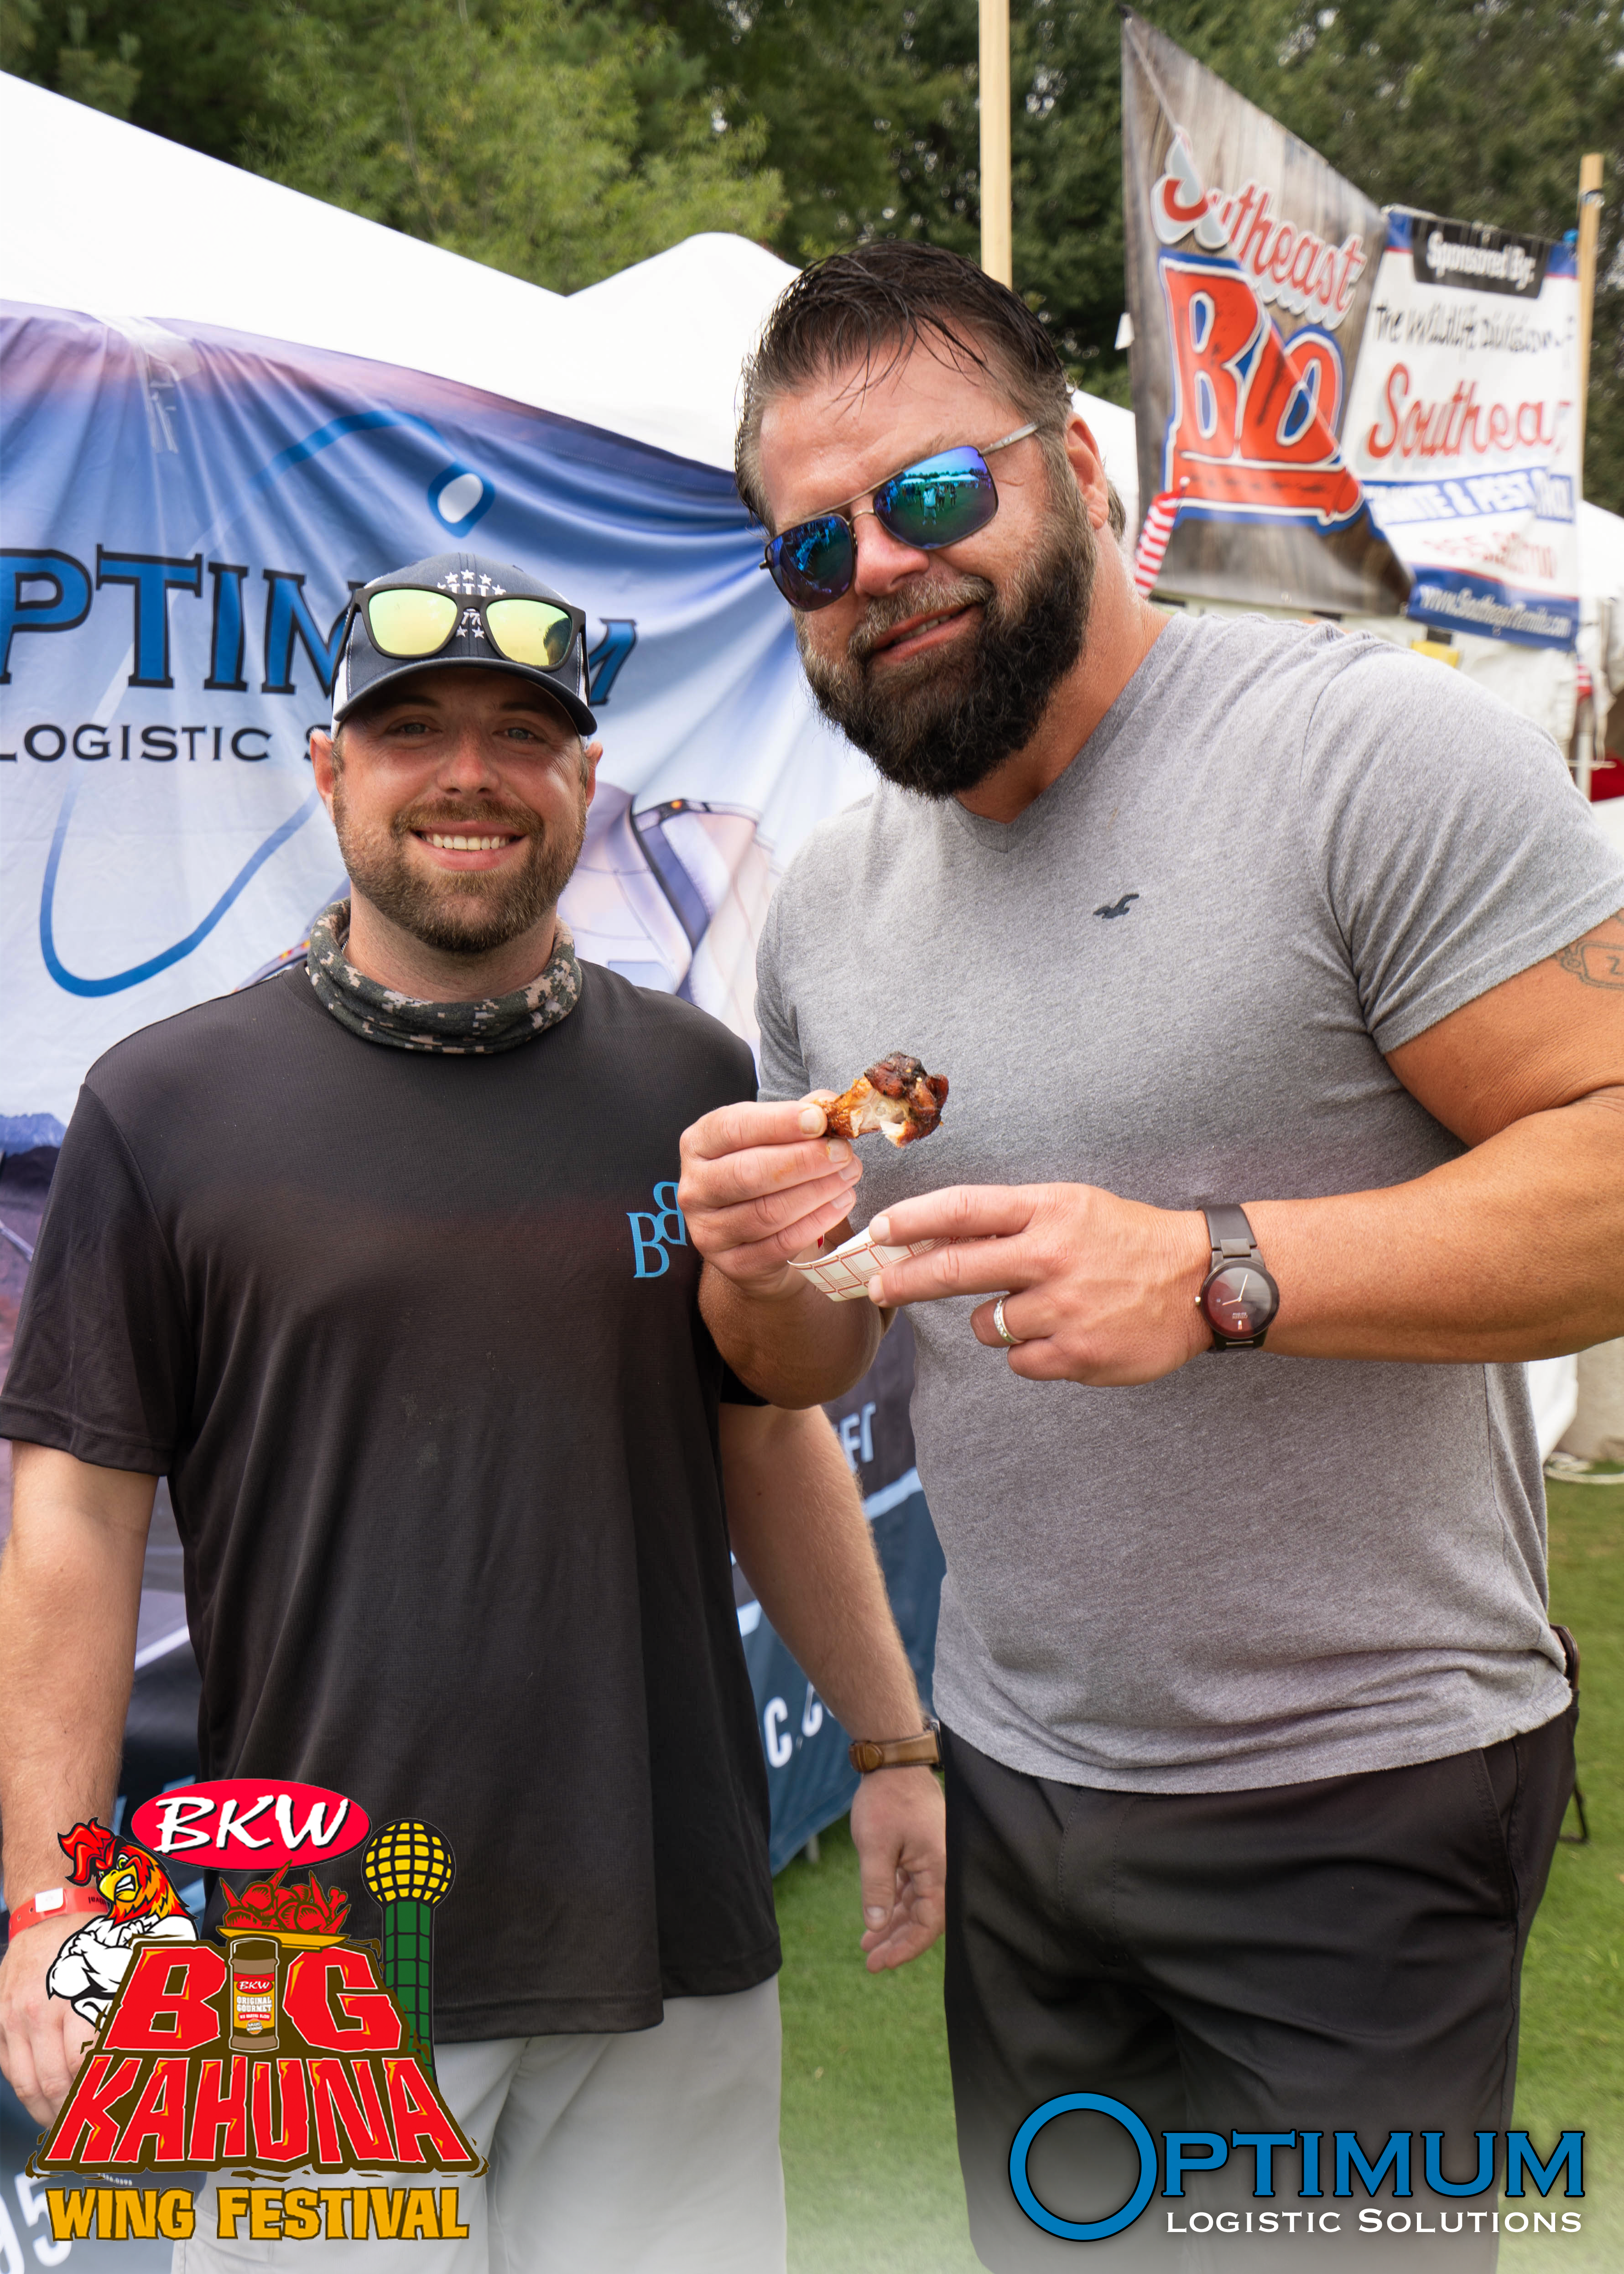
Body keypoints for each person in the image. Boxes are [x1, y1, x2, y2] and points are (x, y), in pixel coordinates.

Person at [677, 244, 1624, 2268]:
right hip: (1025, 1773)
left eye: (934, 497)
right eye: (811, 552)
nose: (880, 571)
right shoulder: (828, 914)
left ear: (1082, 473)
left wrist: (1215, 1268)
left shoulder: (1357, 756)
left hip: (1353, 1785)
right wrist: (754, 1262)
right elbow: (795, 1372)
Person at [0, 549, 946, 2274]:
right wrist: (57, 1899)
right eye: (411, 726)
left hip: (671, 1927)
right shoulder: (163, 1106)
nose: (469, 774)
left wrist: (892, 1742)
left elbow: (765, 1433)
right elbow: (74, 1515)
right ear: (330, 770)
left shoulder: (693, 1083)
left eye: (525, 733)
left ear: (588, 780)